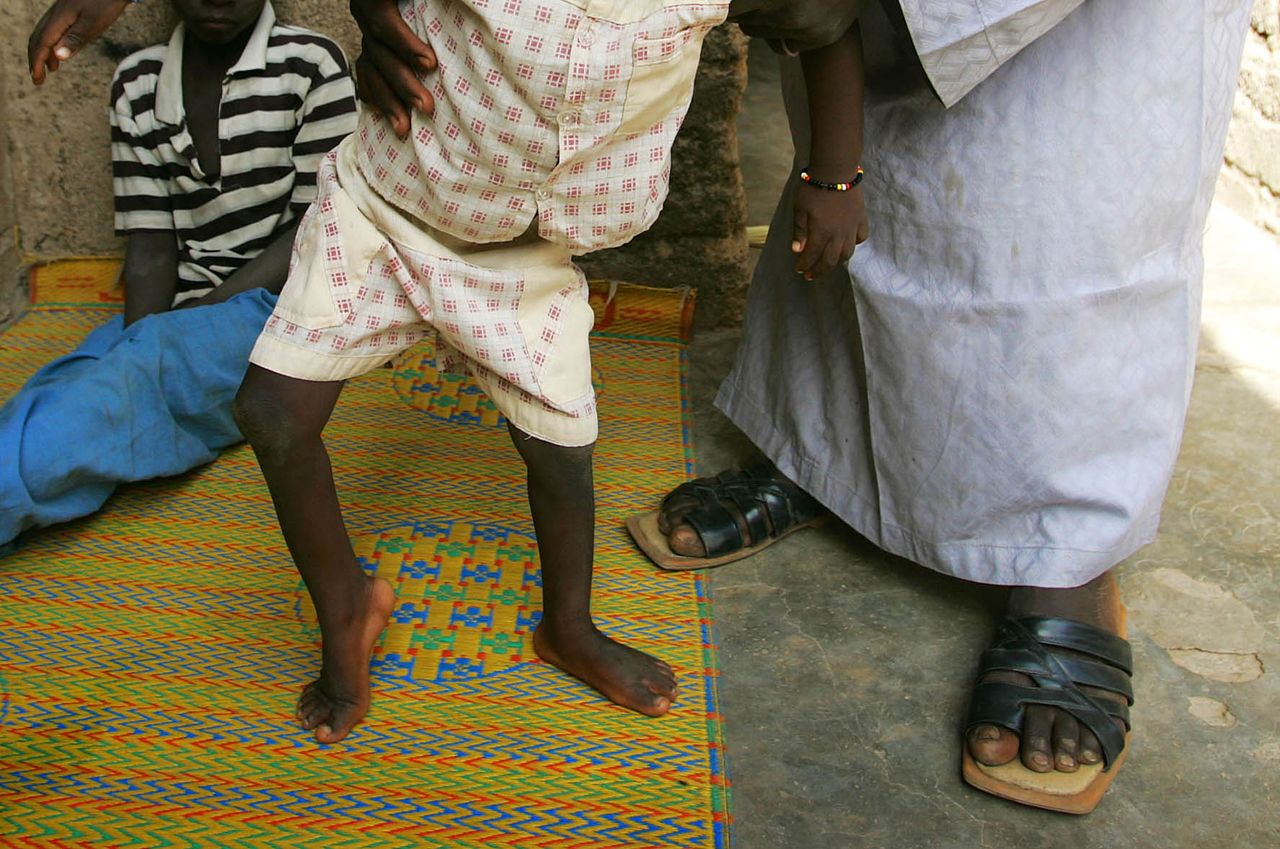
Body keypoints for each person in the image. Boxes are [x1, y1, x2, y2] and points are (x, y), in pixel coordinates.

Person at [5, 0, 357, 549]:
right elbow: (149, 247)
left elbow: (316, 233)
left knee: (103, 405)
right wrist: (140, 342)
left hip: (282, 308)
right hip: (181, 315)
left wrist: (175, 333)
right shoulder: (138, 82)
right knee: (70, 384)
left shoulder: (310, 64)